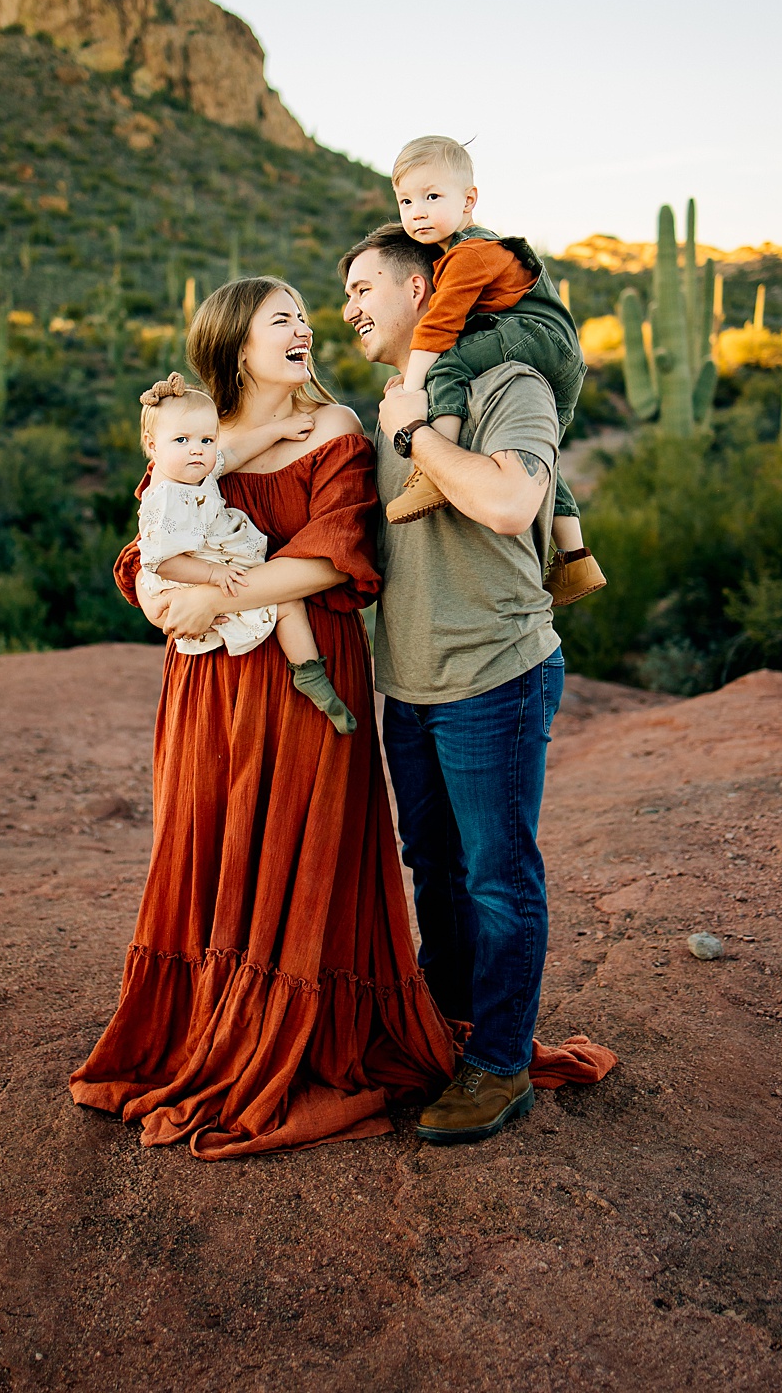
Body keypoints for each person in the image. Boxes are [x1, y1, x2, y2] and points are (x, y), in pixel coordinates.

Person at [69, 277, 456, 1157]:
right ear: (237, 340)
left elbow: (338, 556)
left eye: (304, 318)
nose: (304, 328)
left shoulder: (337, 429)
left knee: (295, 842)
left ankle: (293, 1031)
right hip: (209, 684)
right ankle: (205, 1024)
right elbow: (146, 543)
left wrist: (214, 599)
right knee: (209, 837)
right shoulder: (199, 437)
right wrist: (166, 600)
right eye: (282, 319)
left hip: (304, 665)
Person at [342, 223, 570, 1144]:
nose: (350, 307)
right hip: (412, 683)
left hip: (495, 675)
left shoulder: (509, 385)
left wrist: (413, 432)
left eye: (364, 288)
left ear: (422, 290)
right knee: (431, 870)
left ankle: (500, 1067)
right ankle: (449, 1033)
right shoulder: (393, 399)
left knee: (496, 881)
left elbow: (510, 501)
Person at [382, 134, 605, 609]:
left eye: (431, 196)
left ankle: (430, 474)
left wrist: (413, 389)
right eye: (405, 200)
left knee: (448, 359)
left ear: (469, 200)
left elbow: (439, 326)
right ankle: (575, 557)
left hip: (537, 336)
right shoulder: (458, 253)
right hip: (560, 355)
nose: (416, 211)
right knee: (546, 457)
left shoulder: (469, 253)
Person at [134, 370, 355, 732]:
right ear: (153, 446)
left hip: (222, 571)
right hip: (197, 578)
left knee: (287, 605)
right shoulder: (164, 497)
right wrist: (212, 578)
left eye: (207, 439)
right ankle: (310, 673)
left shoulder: (198, 469)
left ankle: (310, 672)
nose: (197, 449)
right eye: (182, 440)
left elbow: (233, 453)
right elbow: (161, 560)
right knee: (285, 603)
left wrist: (278, 432)